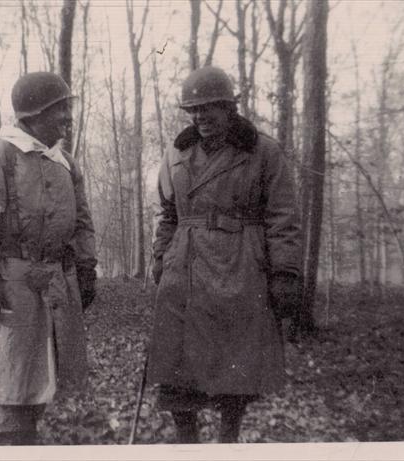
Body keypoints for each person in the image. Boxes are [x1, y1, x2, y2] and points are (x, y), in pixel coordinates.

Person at [148, 66, 302, 443]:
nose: (200, 118)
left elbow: (282, 216)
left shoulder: (262, 151)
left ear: (229, 108)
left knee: (234, 369)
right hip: (183, 267)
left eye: (209, 109)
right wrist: (159, 254)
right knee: (177, 367)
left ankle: (227, 441)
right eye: (193, 111)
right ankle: (187, 444)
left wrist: (285, 273)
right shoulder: (177, 153)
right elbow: (167, 211)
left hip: (240, 267)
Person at [0, 72, 97, 445]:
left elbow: (82, 222)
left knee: (39, 387)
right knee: (7, 385)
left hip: (53, 287)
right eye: (58, 109)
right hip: (8, 287)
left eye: (67, 108)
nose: (67, 117)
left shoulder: (65, 163)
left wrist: (85, 267)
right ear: (31, 115)